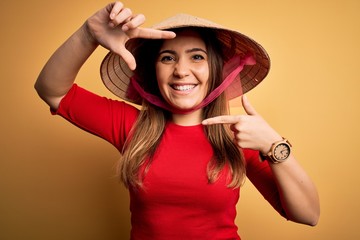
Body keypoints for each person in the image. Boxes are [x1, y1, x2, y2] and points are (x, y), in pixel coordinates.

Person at [35, 1, 320, 239]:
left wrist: (274, 145)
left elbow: (308, 215)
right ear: (152, 73)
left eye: (197, 57)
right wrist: (88, 34)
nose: (181, 71)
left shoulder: (238, 136)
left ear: (216, 71)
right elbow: (52, 90)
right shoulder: (132, 127)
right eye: (168, 58)